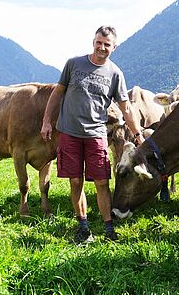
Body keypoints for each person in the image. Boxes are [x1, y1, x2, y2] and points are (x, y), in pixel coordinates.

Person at [40, 25, 145, 243]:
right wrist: (46, 121)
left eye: (107, 44)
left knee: (101, 182)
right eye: (99, 42)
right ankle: (83, 227)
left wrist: (138, 135)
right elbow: (58, 93)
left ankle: (108, 229)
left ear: (114, 47)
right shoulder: (74, 64)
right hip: (69, 132)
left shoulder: (116, 74)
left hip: (97, 134)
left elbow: (126, 108)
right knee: (75, 181)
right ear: (93, 42)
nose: (102, 47)